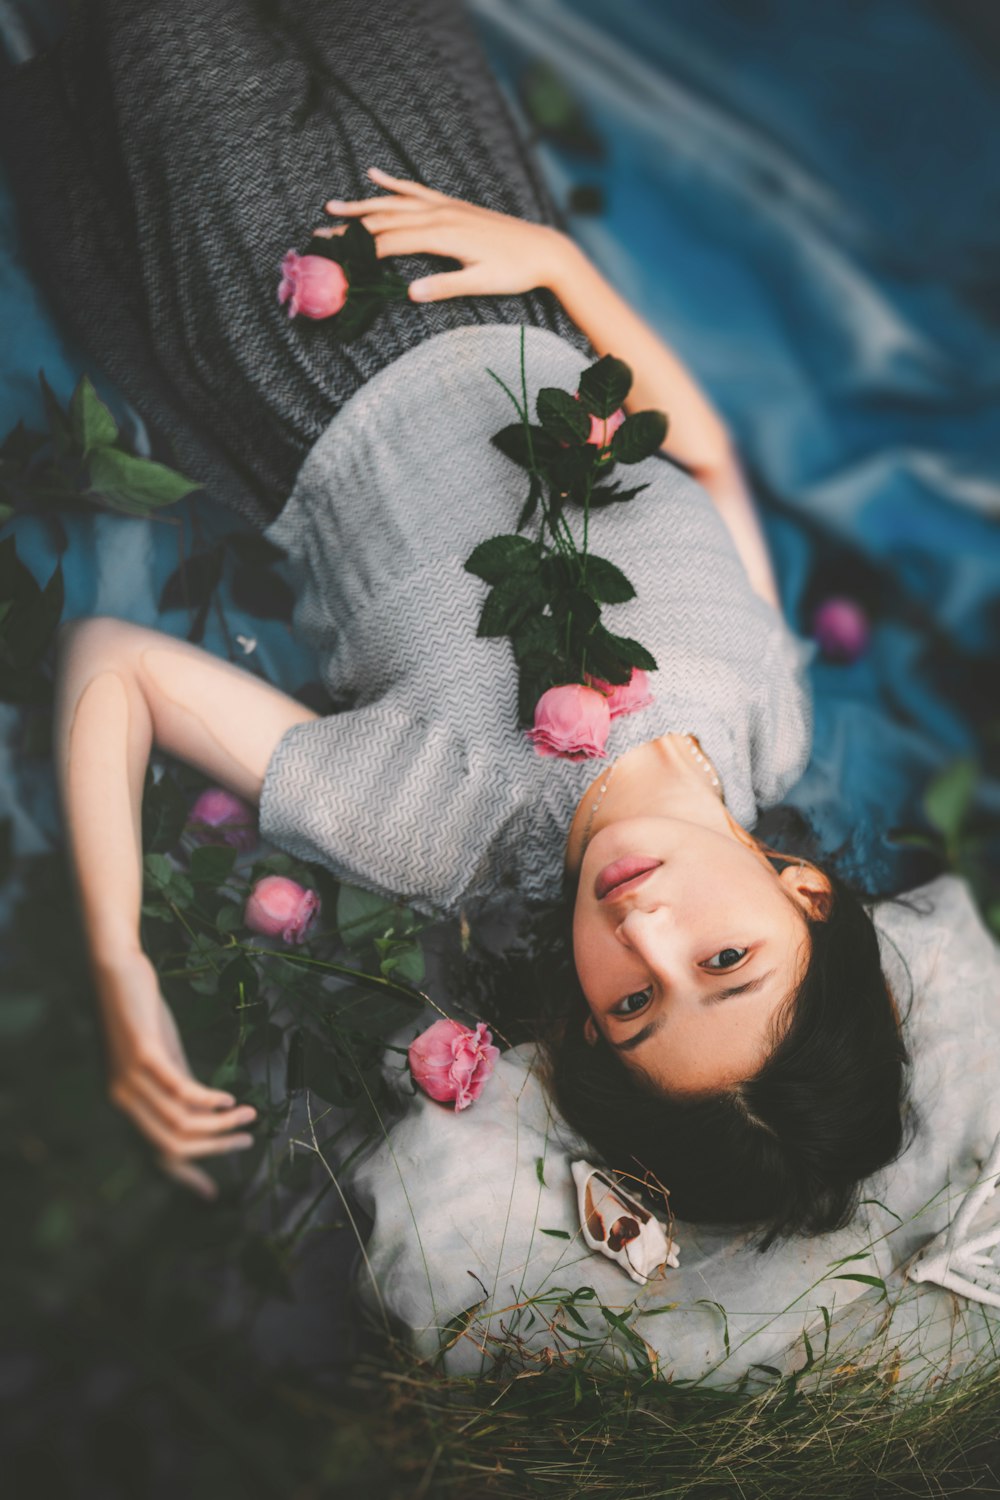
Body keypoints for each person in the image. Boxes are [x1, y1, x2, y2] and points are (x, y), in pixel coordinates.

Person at [6, 0, 907, 1237]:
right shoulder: (768, 728)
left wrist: (117, 959)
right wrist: (558, 269)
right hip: (476, 215)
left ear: (584, 1021)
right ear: (804, 894)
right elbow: (700, 460)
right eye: (722, 964)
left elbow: (118, 671)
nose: (644, 932)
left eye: (634, 1008)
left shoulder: (444, 829)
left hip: (285, 315)